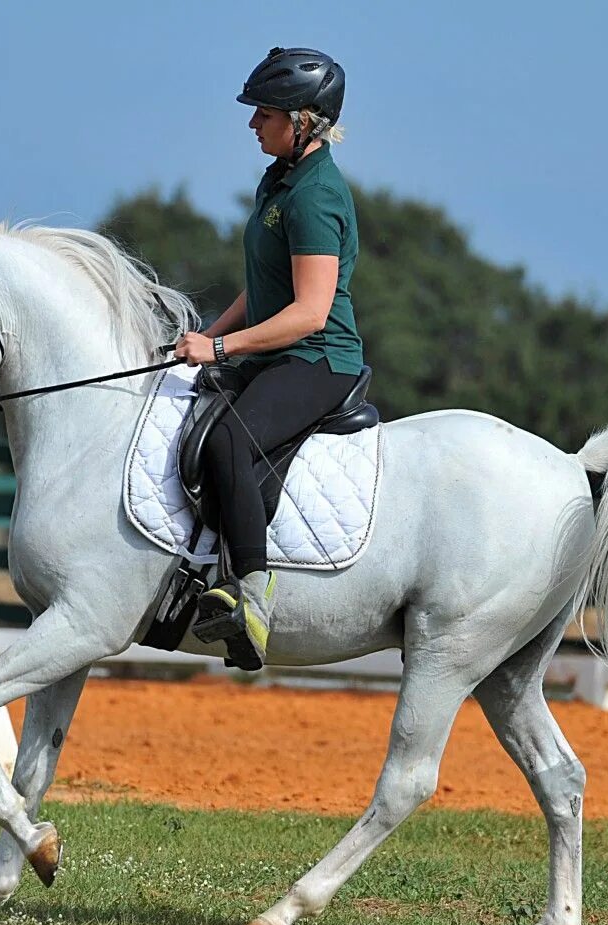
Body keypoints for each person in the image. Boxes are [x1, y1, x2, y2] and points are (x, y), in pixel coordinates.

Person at [173, 47, 364, 669]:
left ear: (303, 121)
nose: (253, 123)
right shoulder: (278, 180)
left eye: (264, 112)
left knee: (229, 439)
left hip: (317, 358)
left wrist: (222, 348)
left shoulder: (315, 195)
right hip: (275, 347)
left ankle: (252, 594)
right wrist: (200, 339)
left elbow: (309, 311)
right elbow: (262, 289)